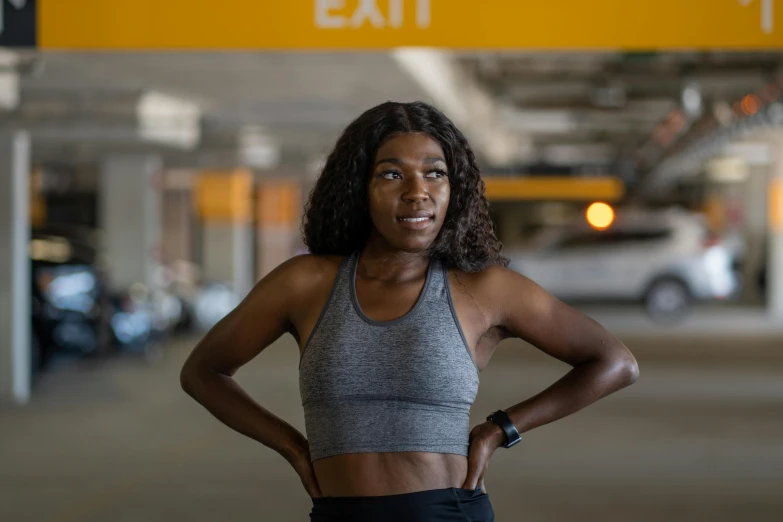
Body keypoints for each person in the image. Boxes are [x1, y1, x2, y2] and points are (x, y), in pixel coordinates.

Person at [180, 101, 639, 521]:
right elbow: (204, 371)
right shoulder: (304, 283)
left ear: (452, 189)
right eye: (392, 174)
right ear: (360, 187)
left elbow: (615, 362)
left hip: (447, 512)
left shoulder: (483, 289)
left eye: (434, 173)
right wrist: (293, 448)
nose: (418, 192)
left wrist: (500, 430)